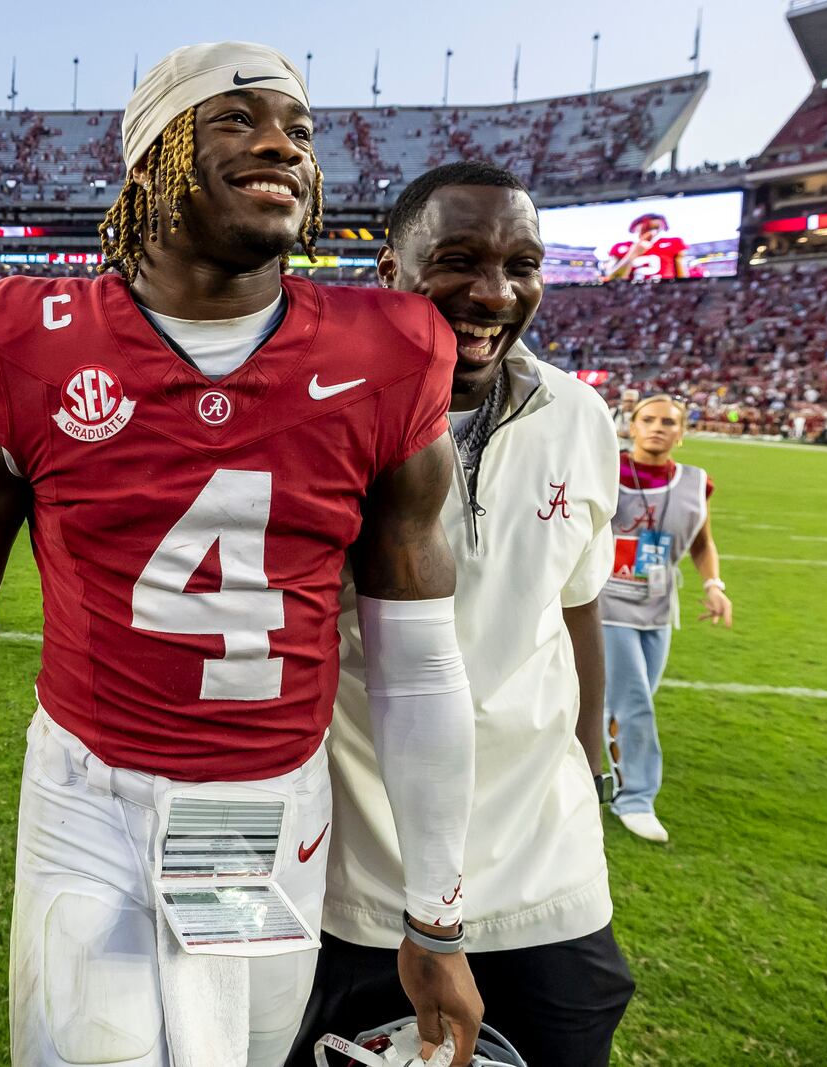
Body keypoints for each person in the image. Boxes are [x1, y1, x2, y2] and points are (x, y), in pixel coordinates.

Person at [0, 41, 485, 1067]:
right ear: (152, 156)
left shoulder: (387, 347)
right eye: (236, 118)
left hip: (269, 804)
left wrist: (436, 915)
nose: (280, 144)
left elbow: (418, 658)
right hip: (89, 787)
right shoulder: (30, 335)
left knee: (243, 1054)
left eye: (297, 126)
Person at [291, 162, 632, 1067]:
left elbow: (578, 606)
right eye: (457, 260)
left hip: (544, 859)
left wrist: (590, 757)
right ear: (390, 272)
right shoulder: (317, 417)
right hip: (364, 868)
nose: (494, 292)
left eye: (523, 263)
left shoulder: (583, 416)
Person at [600, 395, 733, 844]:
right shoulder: (601, 469)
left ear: (682, 432)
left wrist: (714, 585)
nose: (658, 427)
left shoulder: (697, 483)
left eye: (669, 422)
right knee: (635, 702)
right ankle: (635, 798)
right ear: (630, 427)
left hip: (656, 606)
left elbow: (702, 542)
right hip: (606, 604)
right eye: (649, 419)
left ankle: (592, 771)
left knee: (624, 703)